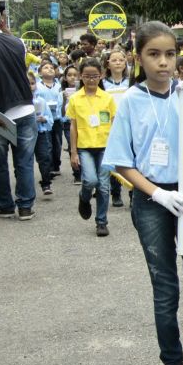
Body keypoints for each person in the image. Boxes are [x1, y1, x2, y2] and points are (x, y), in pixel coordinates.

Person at [103, 21, 183, 365]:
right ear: (139, 58)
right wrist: (157, 194)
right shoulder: (130, 101)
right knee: (165, 289)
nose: (164, 63)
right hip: (152, 201)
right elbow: (120, 162)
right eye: (154, 54)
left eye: (170, 54)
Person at [0, 6, 38, 220]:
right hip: (26, 109)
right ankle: (25, 207)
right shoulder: (18, 42)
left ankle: (5, 206)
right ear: (2, 22)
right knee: (24, 161)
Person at [68, 58, 117, 237]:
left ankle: (101, 222)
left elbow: (114, 123)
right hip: (84, 147)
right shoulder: (74, 99)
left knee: (104, 186)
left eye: (94, 76)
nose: (91, 79)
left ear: (101, 75)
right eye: (87, 76)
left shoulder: (108, 98)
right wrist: (73, 152)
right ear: (81, 76)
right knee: (90, 180)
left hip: (105, 146)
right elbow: (72, 126)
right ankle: (84, 197)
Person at [30, 71, 54, 196]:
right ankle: (25, 185)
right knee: (24, 160)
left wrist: (44, 119)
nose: (30, 86)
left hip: (41, 132)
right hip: (26, 133)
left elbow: (49, 118)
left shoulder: (41, 101)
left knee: (44, 157)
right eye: (27, 84)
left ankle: (46, 183)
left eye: (33, 83)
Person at [60, 65, 81, 184]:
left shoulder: (84, 91)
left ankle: (83, 170)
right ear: (65, 78)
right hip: (68, 123)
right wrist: (64, 99)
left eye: (75, 75)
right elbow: (62, 112)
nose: (73, 78)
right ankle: (77, 173)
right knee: (72, 145)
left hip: (83, 123)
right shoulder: (63, 92)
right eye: (69, 75)